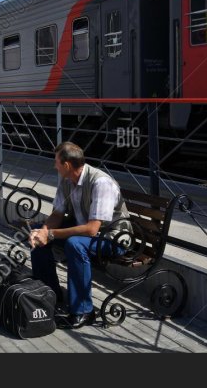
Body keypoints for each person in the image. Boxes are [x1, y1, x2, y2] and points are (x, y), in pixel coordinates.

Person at [28, 141, 131, 329]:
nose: (54, 166)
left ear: (66, 165)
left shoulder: (101, 183)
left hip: (113, 238)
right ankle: (51, 294)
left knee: (75, 244)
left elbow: (92, 229)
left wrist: (50, 234)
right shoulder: (67, 181)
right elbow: (58, 214)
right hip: (88, 234)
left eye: (56, 162)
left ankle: (84, 311)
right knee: (37, 230)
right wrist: (42, 232)